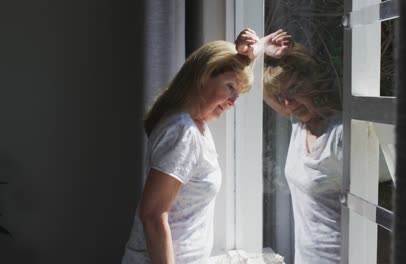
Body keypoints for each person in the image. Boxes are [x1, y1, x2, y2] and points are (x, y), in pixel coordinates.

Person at [121, 37, 255, 264]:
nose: (233, 101)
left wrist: (251, 49)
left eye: (237, 94)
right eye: (230, 87)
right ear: (204, 75)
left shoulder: (194, 125)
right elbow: (152, 215)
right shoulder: (182, 131)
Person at [237, 29, 343, 264]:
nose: (288, 102)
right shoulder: (299, 125)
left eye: (294, 90)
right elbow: (252, 85)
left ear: (312, 83)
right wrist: (260, 49)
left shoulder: (340, 134)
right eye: (282, 95)